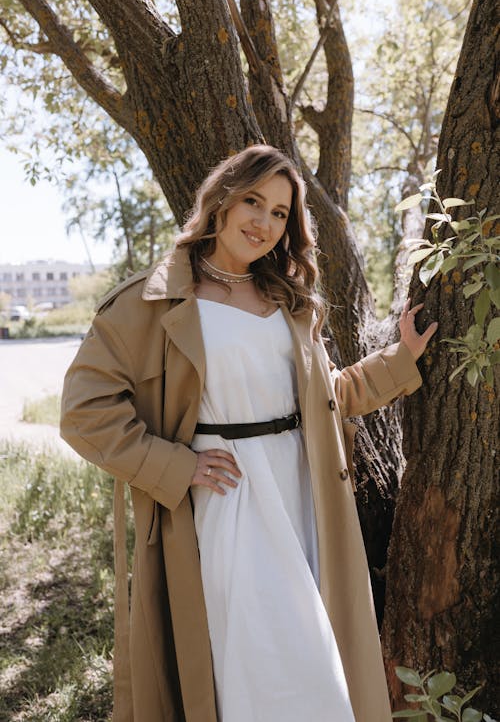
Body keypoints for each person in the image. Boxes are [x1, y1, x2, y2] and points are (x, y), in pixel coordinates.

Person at [60, 144, 438, 722]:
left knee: (317, 660)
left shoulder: (286, 298)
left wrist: (400, 358)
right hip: (228, 504)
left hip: (303, 499)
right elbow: (84, 412)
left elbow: (326, 398)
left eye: (281, 213)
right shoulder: (151, 301)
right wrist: (176, 466)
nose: (264, 222)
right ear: (221, 200)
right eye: (254, 202)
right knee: (261, 665)